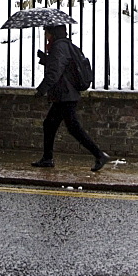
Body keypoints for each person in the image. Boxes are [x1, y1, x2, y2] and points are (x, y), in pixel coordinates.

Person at [32, 24, 110, 172]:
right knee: (50, 124)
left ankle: (99, 155)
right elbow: (62, 66)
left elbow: (55, 72)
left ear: (52, 33)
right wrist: (45, 59)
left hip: (65, 95)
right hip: (66, 94)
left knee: (72, 128)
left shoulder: (58, 47)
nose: (45, 35)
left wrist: (41, 90)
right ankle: (47, 158)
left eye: (46, 32)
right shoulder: (64, 45)